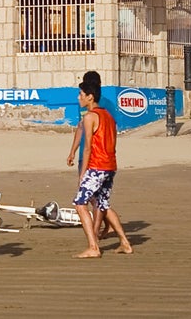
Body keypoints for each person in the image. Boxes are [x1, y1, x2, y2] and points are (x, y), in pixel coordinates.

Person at [68, 78, 133, 259]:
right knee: (102, 204)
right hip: (110, 166)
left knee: (80, 204)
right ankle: (125, 243)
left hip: (97, 166)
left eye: (81, 94)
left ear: (90, 97)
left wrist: (83, 174)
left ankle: (93, 246)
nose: (78, 97)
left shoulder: (90, 117)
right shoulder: (108, 116)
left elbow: (88, 146)